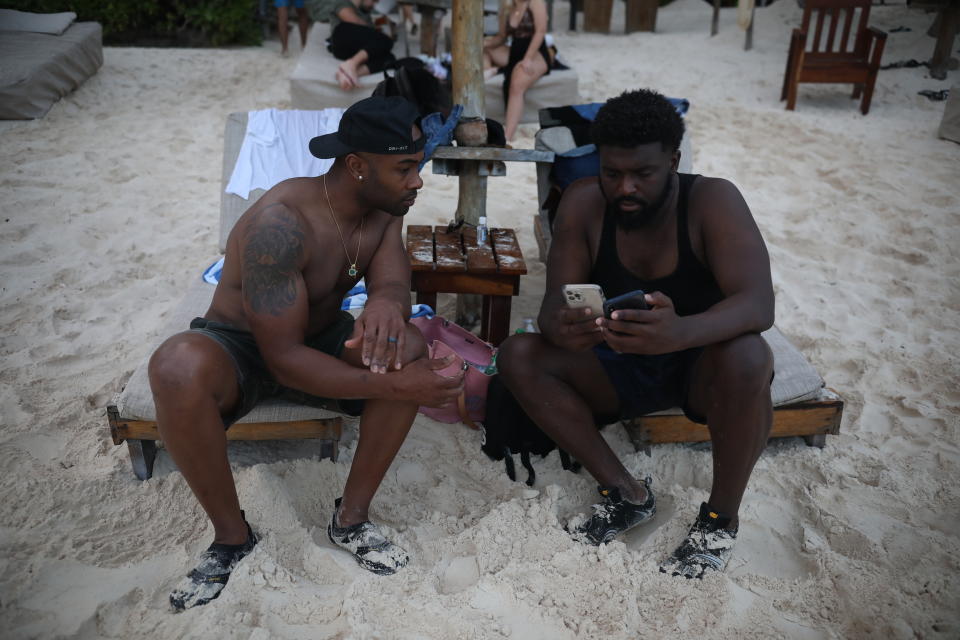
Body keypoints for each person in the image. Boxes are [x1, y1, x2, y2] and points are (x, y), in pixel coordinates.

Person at [150, 96, 465, 611]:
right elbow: (282, 360)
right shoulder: (282, 224)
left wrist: (386, 304)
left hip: (316, 337)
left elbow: (392, 282)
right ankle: (231, 538)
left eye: (417, 166)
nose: (417, 182)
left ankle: (351, 519)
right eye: (405, 168)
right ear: (358, 167)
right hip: (240, 348)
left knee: (407, 345)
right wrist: (393, 386)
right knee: (175, 366)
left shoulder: (384, 211)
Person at [496, 89, 775, 579]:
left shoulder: (712, 199)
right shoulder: (582, 203)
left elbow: (758, 303)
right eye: (611, 173)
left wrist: (681, 331)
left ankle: (719, 521)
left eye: (642, 174)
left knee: (751, 356)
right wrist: (567, 328)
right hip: (615, 364)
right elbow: (550, 314)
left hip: (700, 366)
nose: (625, 187)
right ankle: (626, 492)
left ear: (673, 159)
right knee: (519, 354)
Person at [482, 0, 552, 141]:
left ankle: (508, 135)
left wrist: (528, 58)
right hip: (514, 52)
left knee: (516, 84)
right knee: (483, 50)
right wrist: (482, 43)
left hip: (536, 52)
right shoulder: (508, 6)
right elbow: (502, 37)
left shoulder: (535, 2)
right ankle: (491, 69)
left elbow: (541, 31)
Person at [328, 0, 395, 91]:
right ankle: (351, 64)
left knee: (390, 58)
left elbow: (371, 32)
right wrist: (378, 33)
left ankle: (348, 74)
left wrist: (386, 25)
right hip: (341, 37)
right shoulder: (342, 2)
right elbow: (353, 20)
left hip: (356, 49)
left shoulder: (365, 13)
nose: (375, 4)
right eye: (374, 1)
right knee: (386, 40)